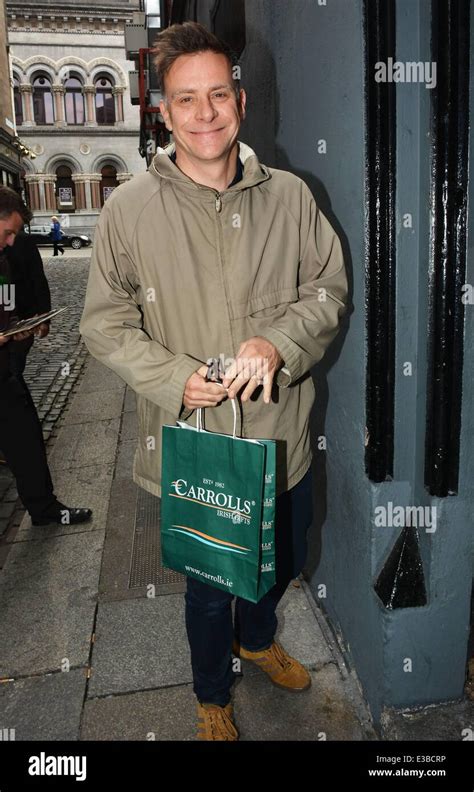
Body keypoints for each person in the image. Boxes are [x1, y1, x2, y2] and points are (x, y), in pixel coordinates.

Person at [80, 22, 348, 740]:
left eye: (218, 95)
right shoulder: (127, 210)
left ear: (242, 100)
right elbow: (103, 325)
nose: (205, 114)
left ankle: (257, 641)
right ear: (163, 112)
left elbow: (328, 290)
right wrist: (175, 378)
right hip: (195, 448)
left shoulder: (292, 196)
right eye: (186, 99)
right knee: (208, 589)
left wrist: (278, 340)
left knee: (279, 562)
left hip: (281, 442)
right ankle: (210, 695)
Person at [0, 186, 92, 527]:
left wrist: (16, 328)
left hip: (5, 374)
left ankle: (44, 508)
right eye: (8, 231)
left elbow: (7, 306)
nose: (12, 241)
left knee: (26, 442)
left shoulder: (5, 259)